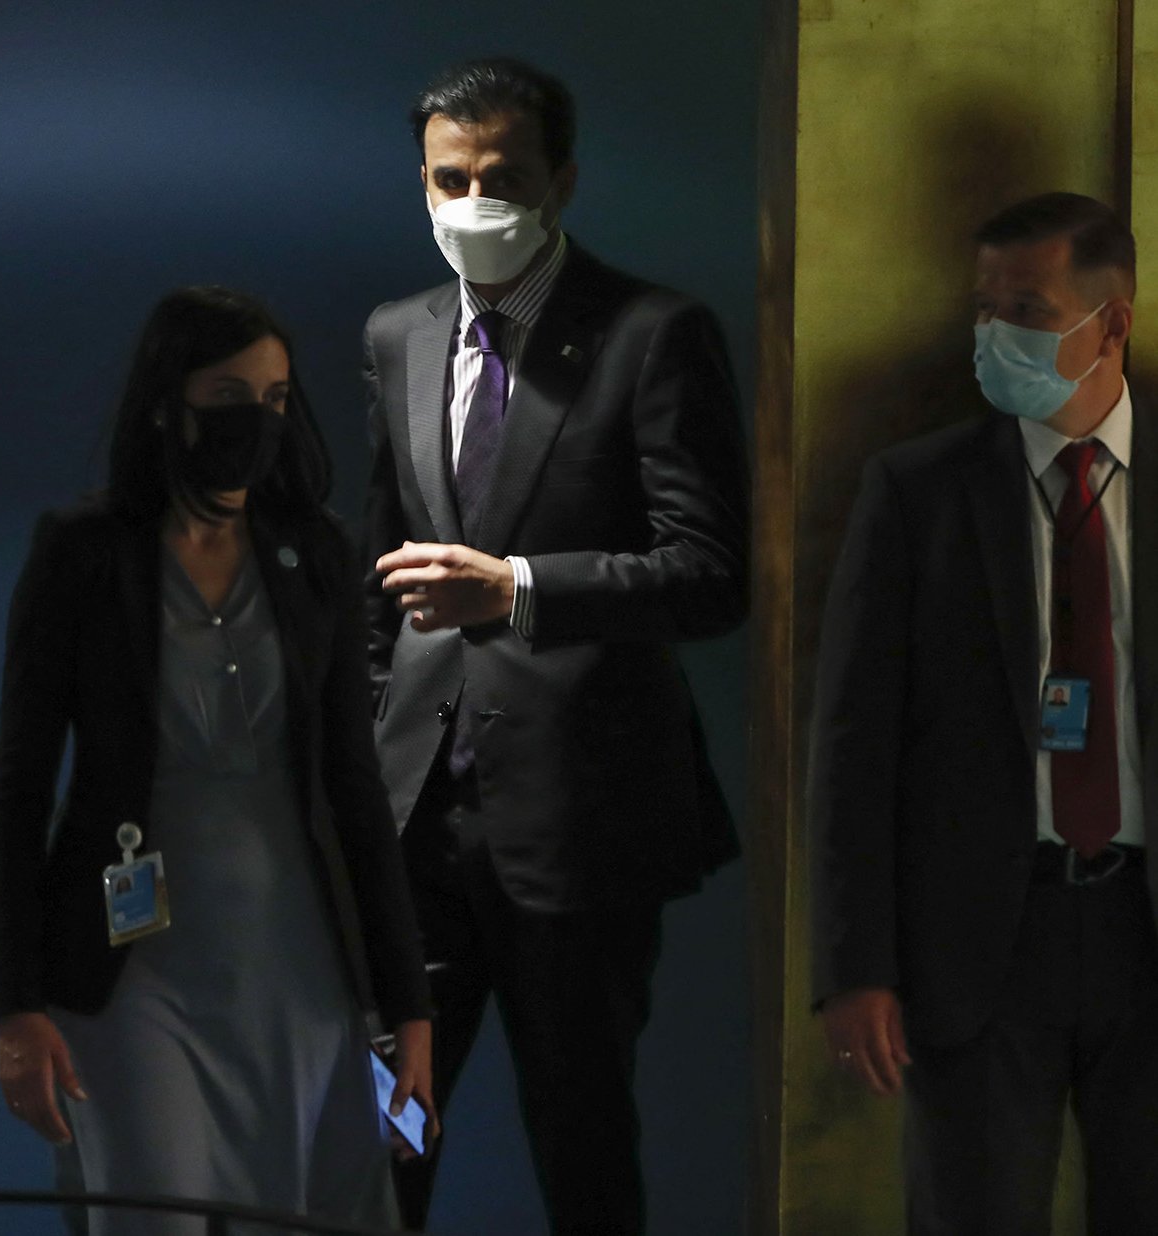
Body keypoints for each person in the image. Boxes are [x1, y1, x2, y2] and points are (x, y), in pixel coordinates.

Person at [362, 57, 749, 1236]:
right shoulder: (400, 334)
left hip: (581, 823)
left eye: (506, 177)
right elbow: (381, 573)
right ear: (422, 182)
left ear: (563, 181)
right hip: (416, 829)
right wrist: (364, 761)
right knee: (386, 1135)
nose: (475, 201)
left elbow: (709, 574)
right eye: (451, 178)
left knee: (579, 1135)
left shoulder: (653, 334)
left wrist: (520, 590)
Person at [0, 286, 436, 1234]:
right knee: (153, 1208)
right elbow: (20, 793)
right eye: (230, 397)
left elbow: (356, 790)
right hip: (133, 967)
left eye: (275, 398)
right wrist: (15, 1006)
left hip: (299, 963)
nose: (257, 422)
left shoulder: (316, 553)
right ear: (168, 403)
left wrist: (410, 1009)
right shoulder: (83, 554)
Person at [809, 193, 1158, 1234]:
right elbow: (853, 746)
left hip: (1143, 924)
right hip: (980, 945)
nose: (996, 334)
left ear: (1112, 323)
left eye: (1028, 311)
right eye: (984, 308)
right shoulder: (919, 493)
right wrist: (855, 967)